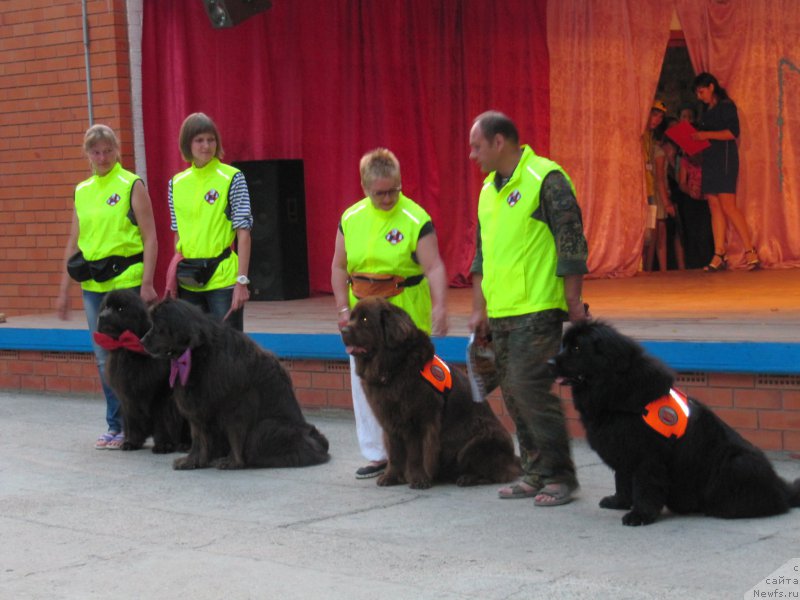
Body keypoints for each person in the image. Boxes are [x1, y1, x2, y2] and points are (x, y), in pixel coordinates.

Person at [468, 111, 589, 507]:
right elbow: (482, 255)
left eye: (477, 146)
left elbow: (571, 242)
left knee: (530, 389)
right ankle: (535, 470)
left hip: (538, 307)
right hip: (501, 311)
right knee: (515, 396)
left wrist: (573, 303)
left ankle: (560, 475)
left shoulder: (546, 178)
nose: (473, 155)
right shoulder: (488, 190)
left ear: (499, 141)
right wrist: (479, 308)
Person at [331, 148, 448, 479]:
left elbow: (434, 266)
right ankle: (376, 454)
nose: (388, 197)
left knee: (409, 389)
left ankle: (417, 456)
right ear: (366, 188)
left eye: (394, 189)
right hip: (363, 312)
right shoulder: (351, 218)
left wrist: (440, 305)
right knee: (366, 381)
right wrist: (343, 308)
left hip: (402, 312)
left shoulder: (415, 218)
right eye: (380, 192)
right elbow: (339, 267)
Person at [57, 124, 158, 449]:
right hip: (93, 285)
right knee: (104, 358)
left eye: (107, 150)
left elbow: (150, 236)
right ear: (87, 155)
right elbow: (75, 240)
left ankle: (142, 424)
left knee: (134, 353)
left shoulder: (131, 184)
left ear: (117, 151)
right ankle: (116, 424)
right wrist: (64, 290)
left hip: (127, 284)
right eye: (95, 152)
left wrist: (147, 282)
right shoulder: (82, 190)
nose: (102, 157)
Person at [167, 112, 253, 331]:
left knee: (229, 352)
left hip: (223, 280)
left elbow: (244, 232)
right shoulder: (176, 183)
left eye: (211, 139)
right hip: (189, 280)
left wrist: (241, 281)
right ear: (187, 144)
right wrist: (173, 275)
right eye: (199, 140)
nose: (206, 146)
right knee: (194, 351)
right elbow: (178, 233)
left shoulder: (232, 177)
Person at [691, 72, 759, 271]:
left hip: (725, 159)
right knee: (714, 206)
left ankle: (750, 251)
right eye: (697, 93)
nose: (699, 96)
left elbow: (732, 132)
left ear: (711, 87)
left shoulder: (726, 106)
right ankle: (719, 253)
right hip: (710, 160)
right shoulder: (707, 110)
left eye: (701, 91)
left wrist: (705, 134)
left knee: (729, 206)